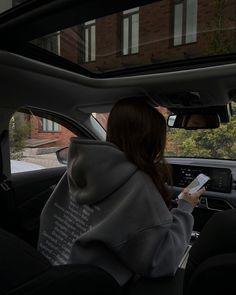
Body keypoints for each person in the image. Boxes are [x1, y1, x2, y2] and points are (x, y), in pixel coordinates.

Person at [37, 97, 205, 287]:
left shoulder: (76, 171)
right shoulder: (139, 184)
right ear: (152, 142)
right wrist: (185, 206)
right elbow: (160, 261)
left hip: (49, 275)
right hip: (90, 285)